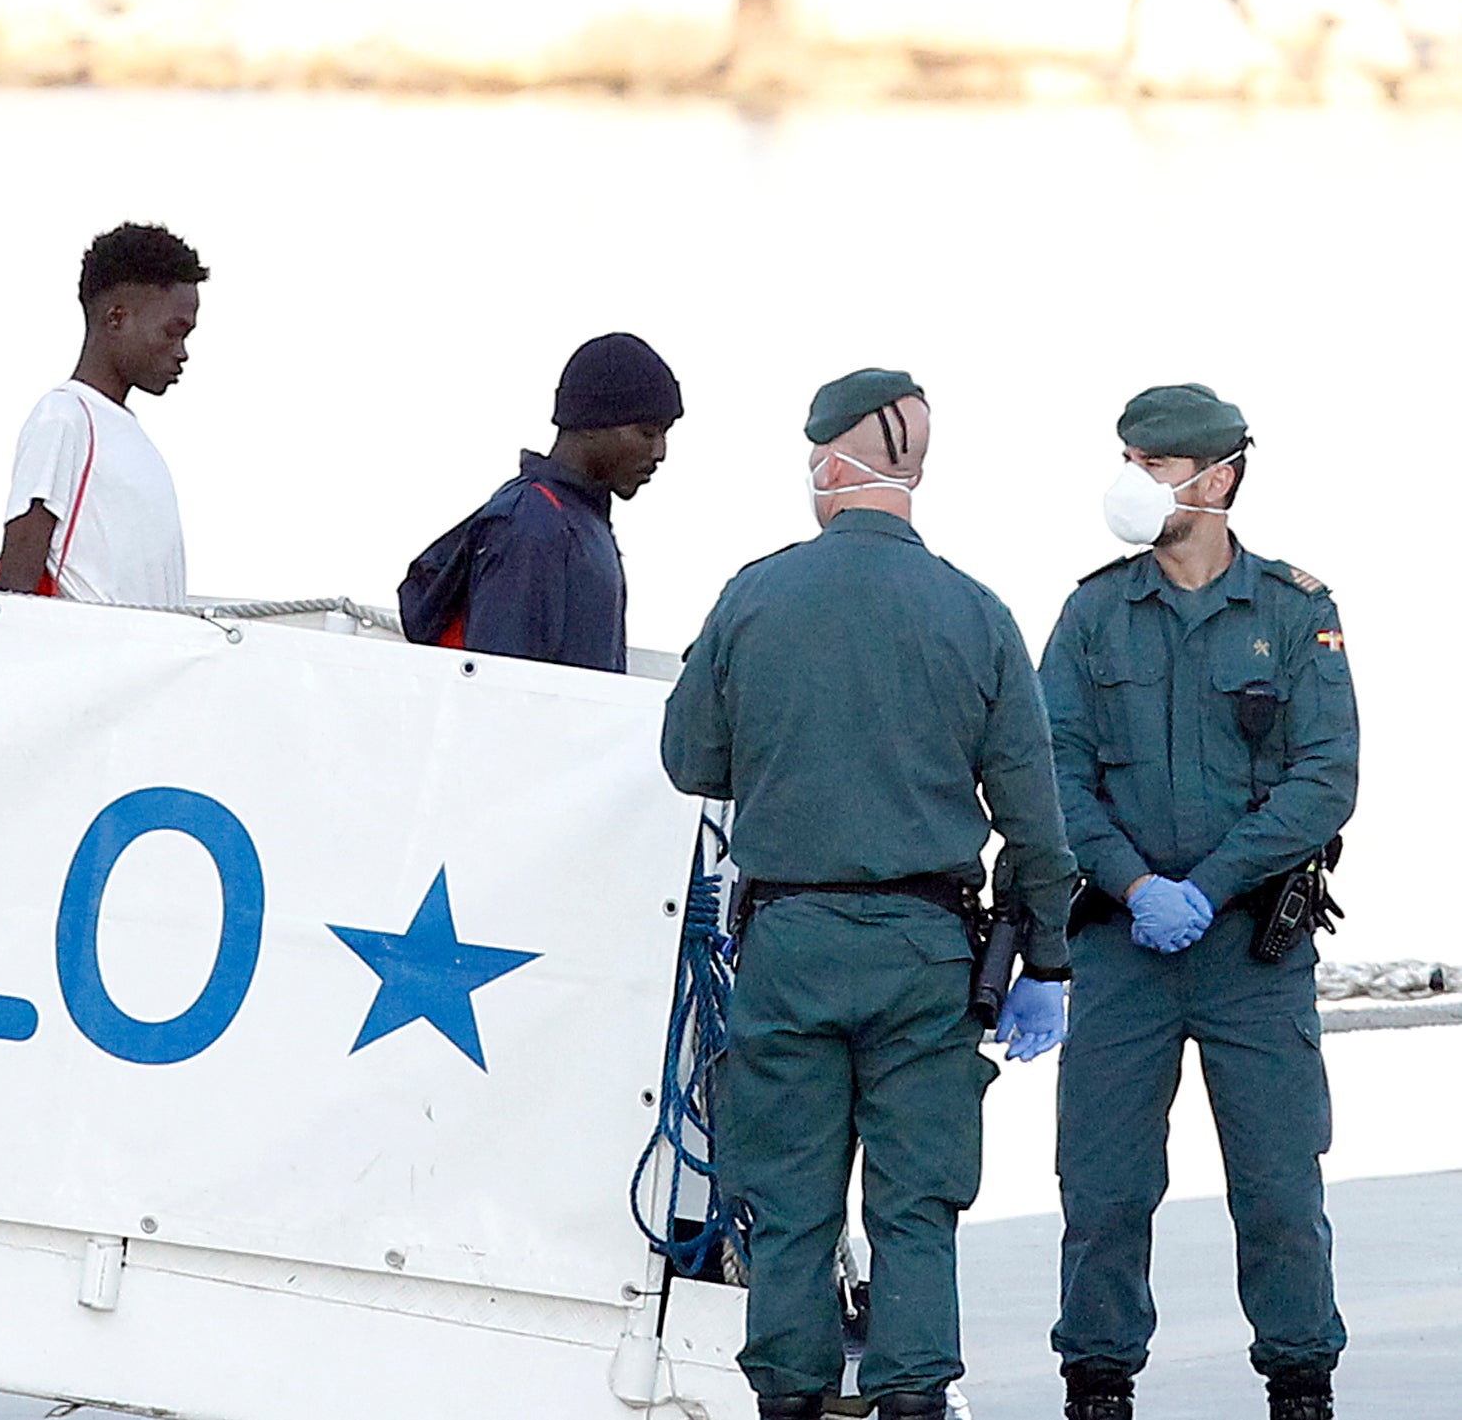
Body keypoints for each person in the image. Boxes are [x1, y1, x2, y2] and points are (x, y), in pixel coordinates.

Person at [660, 369, 1075, 1420]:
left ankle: (789, 1403)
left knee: (789, 1205)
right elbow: (1035, 817)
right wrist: (1051, 961)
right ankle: (911, 1402)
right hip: (927, 952)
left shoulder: (755, 594)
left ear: (826, 462)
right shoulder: (975, 611)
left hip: (788, 944)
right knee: (915, 1208)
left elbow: (686, 757)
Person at [1040, 385, 1357, 1420]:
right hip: (1125, 951)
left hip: (1250, 955)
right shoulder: (1093, 612)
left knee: (1277, 1189)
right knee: (1102, 1192)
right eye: (1125, 459)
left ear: (1216, 478)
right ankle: (1096, 1382)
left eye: (1154, 464)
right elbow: (1053, 770)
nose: (1131, 482)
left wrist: (1208, 884)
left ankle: (1300, 1380)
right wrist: (1133, 883)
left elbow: (1324, 778)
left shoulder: (1294, 609)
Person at [395, 332, 679, 672]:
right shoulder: (531, 527)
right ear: (591, 424)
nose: (659, 452)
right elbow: (503, 694)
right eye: (648, 432)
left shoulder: (577, 521)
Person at [0, 223, 206, 605]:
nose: (182, 351)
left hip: (148, 659)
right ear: (116, 319)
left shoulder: (131, 436)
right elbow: (16, 580)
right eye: (173, 332)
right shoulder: (65, 417)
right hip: (91, 658)